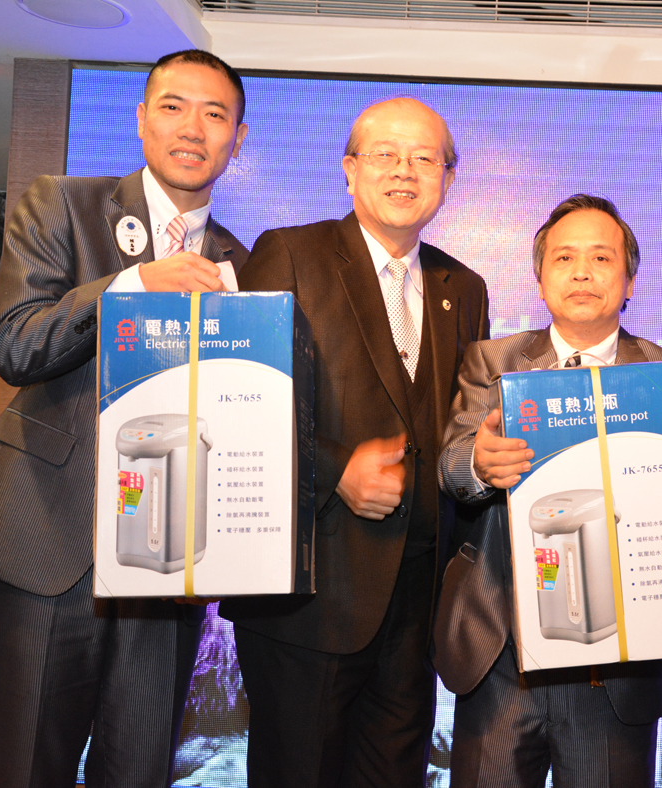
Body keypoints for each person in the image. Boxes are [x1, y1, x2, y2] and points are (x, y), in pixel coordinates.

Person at [0, 49, 249, 787]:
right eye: (172, 106)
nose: (192, 128)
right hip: (48, 544)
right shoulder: (64, 204)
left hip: (169, 563)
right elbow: (14, 346)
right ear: (140, 120)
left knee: (138, 769)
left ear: (238, 139)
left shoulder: (244, 262)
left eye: (215, 114)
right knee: (26, 765)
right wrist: (132, 285)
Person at [219, 97, 489, 788]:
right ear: (348, 168)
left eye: (424, 158)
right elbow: (237, 401)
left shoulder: (465, 286)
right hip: (310, 594)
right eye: (384, 154)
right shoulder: (290, 253)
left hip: (417, 604)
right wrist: (337, 469)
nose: (404, 170)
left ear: (448, 177)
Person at [431, 194, 662, 788]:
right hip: (500, 657)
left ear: (630, 281)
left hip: (617, 669)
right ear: (540, 280)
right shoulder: (493, 362)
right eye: (564, 258)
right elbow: (452, 466)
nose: (583, 272)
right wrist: (480, 464)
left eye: (601, 258)